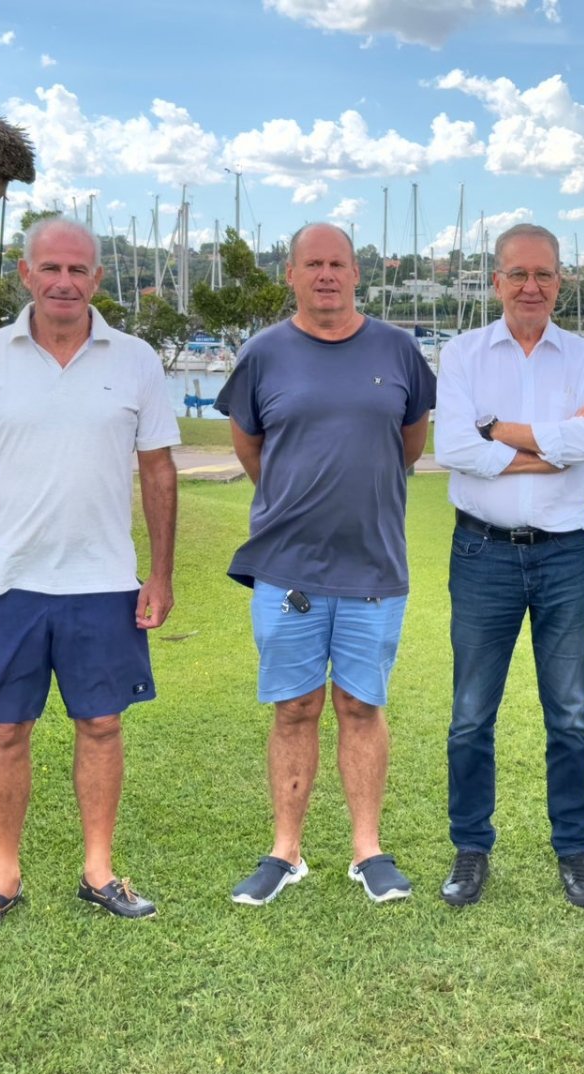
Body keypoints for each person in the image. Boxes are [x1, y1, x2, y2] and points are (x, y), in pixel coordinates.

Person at [0, 215, 180, 939]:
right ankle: (3, 880)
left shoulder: (135, 359)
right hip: (7, 582)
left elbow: (158, 470)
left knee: (101, 724)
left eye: (78, 269)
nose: (65, 282)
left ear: (97, 278)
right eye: (51, 268)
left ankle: (99, 872)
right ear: (26, 274)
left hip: (104, 581)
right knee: (4, 730)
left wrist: (160, 573)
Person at [215, 223, 436, 906]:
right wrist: (294, 498)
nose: (326, 275)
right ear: (291, 274)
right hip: (288, 568)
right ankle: (286, 851)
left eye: (338, 263)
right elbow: (251, 448)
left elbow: (410, 445)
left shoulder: (399, 350)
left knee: (361, 705)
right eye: (312, 264)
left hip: (373, 564)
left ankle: (367, 851)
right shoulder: (263, 354)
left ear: (356, 273)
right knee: (295, 707)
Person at [433, 224, 584, 909]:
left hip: (564, 554)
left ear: (560, 281)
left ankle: (573, 847)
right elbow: (453, 448)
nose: (530, 286)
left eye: (543, 274)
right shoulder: (463, 354)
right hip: (482, 553)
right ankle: (471, 846)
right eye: (518, 274)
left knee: (569, 714)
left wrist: (499, 431)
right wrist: (551, 452)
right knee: (471, 715)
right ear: (496, 281)